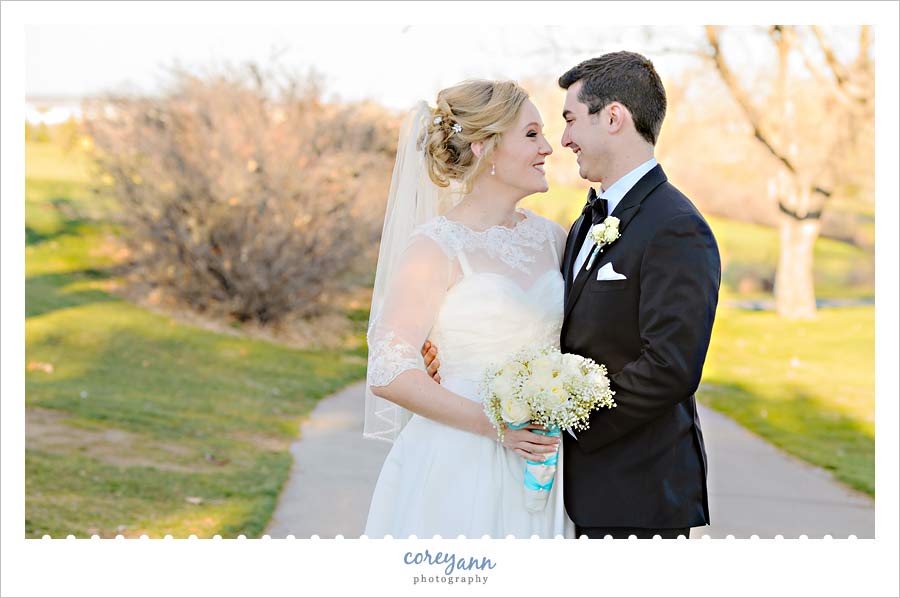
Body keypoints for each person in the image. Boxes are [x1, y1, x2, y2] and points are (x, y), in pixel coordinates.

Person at [424, 52, 722, 539]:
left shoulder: (675, 226)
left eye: (569, 119)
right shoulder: (586, 220)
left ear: (612, 117)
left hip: (635, 490)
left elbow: (671, 367)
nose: (562, 140)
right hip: (567, 488)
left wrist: (562, 421)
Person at [363, 80, 576, 538]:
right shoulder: (434, 248)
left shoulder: (553, 239)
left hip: (542, 461)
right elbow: (388, 370)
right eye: (532, 134)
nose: (548, 148)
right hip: (458, 457)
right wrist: (495, 427)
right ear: (486, 148)